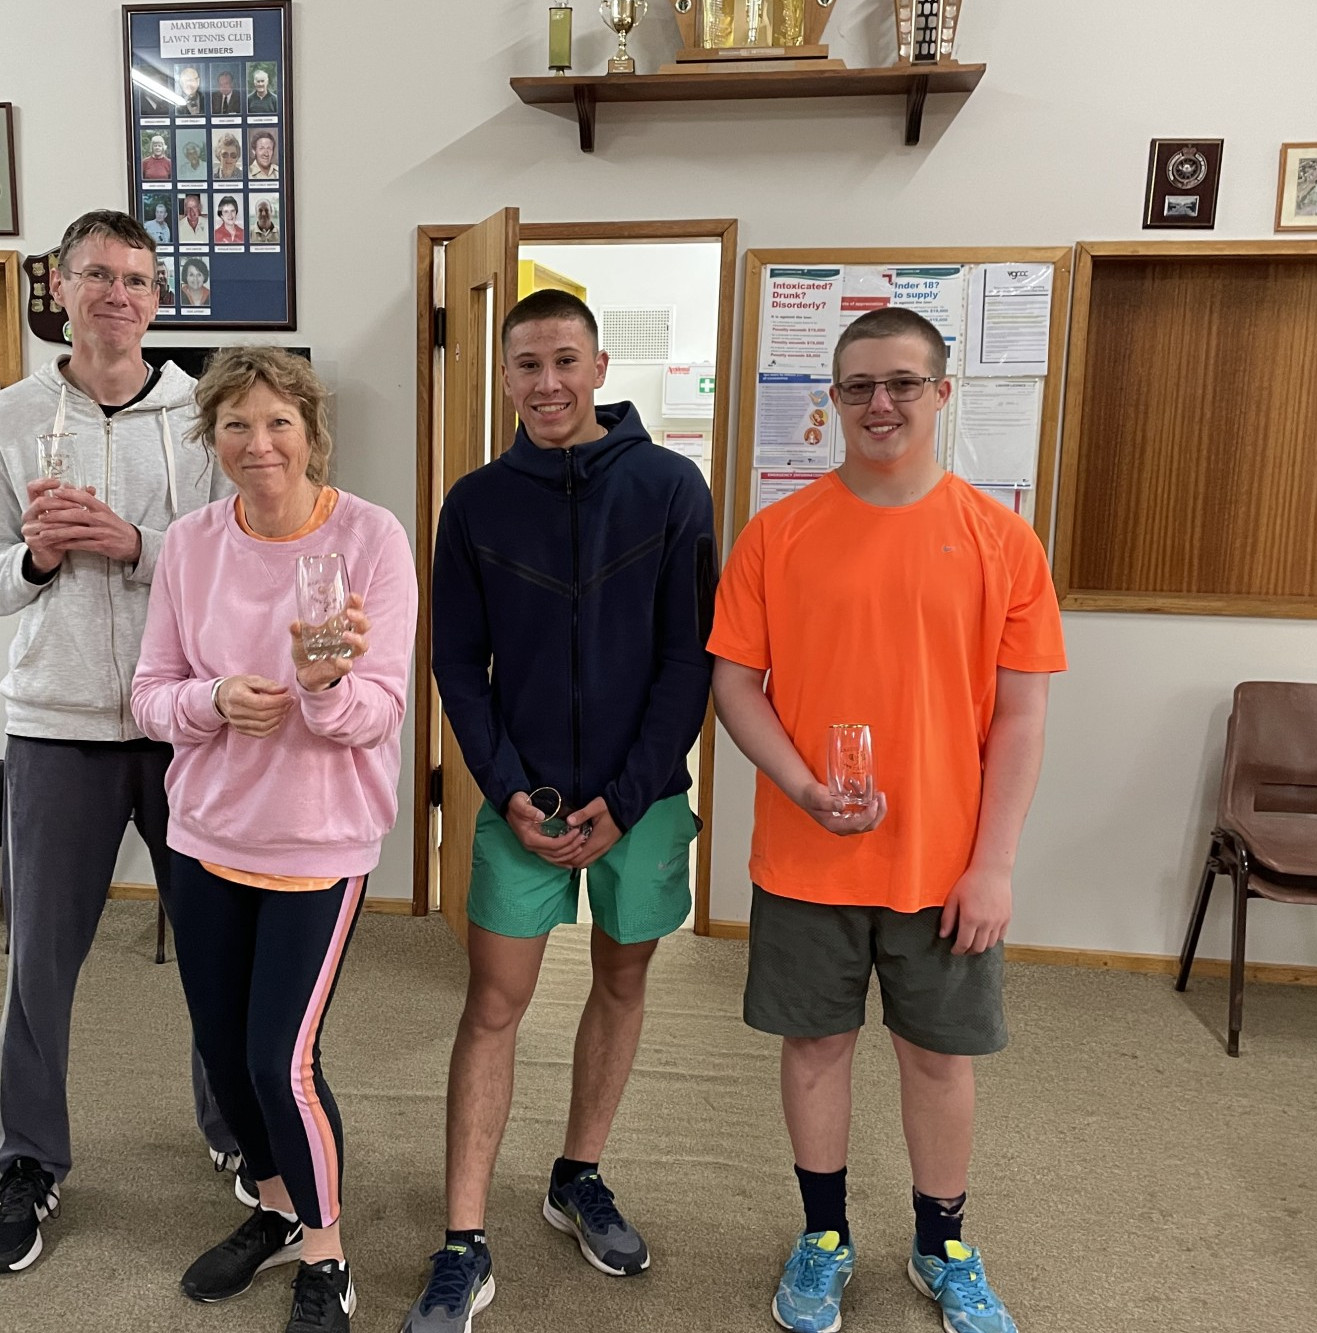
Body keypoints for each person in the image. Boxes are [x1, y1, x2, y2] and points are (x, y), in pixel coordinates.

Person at [706, 307, 1064, 1333]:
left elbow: (1022, 714)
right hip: (806, 854)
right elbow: (735, 685)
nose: (879, 403)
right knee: (814, 1048)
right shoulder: (780, 533)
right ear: (831, 398)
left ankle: (940, 1242)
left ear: (940, 394)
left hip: (945, 865)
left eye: (902, 383)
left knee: (937, 1058)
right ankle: (821, 1235)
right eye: (858, 384)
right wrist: (802, 784)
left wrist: (991, 864)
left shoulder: (999, 541)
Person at [406, 289, 716, 1331]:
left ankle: (576, 1174)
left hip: (640, 799)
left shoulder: (671, 489)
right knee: (491, 1004)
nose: (547, 382)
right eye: (526, 364)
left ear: (598, 366)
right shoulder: (477, 502)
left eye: (565, 361)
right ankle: (462, 1240)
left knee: (621, 984)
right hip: (520, 800)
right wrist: (504, 789)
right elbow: (456, 661)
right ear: (503, 376)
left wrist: (624, 800)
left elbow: (689, 658)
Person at [0, 208, 244, 1276]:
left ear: (158, 300)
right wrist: (33, 558)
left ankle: (235, 1132)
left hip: (188, 728)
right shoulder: (5, 420)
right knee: (38, 962)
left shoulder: (204, 416)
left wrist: (135, 545)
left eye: (136, 279)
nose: (116, 295)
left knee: (219, 946)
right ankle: (26, 1160)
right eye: (95, 276)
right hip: (56, 727)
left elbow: (235, 566)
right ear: (59, 289)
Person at [133, 344, 416, 1333]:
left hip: (316, 840)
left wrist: (324, 685)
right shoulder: (190, 544)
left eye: (277, 422)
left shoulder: (372, 541)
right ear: (212, 439)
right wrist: (211, 701)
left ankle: (327, 1255)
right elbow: (148, 696)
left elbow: (379, 713)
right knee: (220, 1049)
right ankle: (276, 1205)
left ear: (310, 432)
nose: (259, 444)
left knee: (276, 1060)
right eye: (236, 425)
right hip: (205, 830)